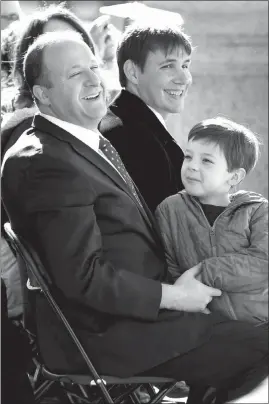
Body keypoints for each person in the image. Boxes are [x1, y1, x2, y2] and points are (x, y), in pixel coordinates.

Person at [1, 31, 268, 404]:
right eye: (76, 73)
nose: (95, 79)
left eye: (95, 67)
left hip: (136, 319)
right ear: (43, 94)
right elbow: (83, 278)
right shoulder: (46, 161)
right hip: (107, 335)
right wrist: (174, 297)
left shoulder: (75, 144)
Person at [155, 116, 268, 325]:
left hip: (259, 325)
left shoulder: (257, 210)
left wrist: (204, 272)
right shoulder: (169, 209)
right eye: (188, 157)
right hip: (201, 326)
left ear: (233, 177)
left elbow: (263, 263)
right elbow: (170, 268)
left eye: (206, 160)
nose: (192, 166)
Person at [99, 21, 192, 213]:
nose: (184, 79)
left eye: (185, 65)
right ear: (132, 72)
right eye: (168, 66)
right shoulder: (131, 136)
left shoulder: (128, 124)